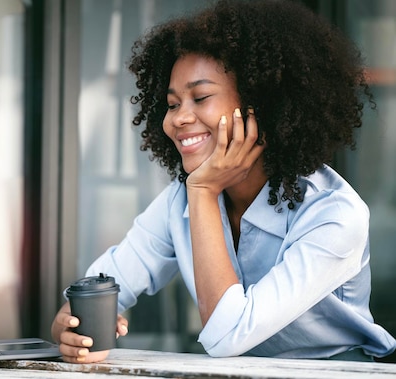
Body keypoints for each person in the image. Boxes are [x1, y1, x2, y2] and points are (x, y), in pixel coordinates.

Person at [51, 0, 396, 363]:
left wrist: (203, 192)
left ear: (261, 104)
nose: (178, 119)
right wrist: (72, 325)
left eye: (200, 97)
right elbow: (106, 285)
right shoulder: (180, 201)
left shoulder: (335, 214)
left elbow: (227, 336)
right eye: (171, 104)